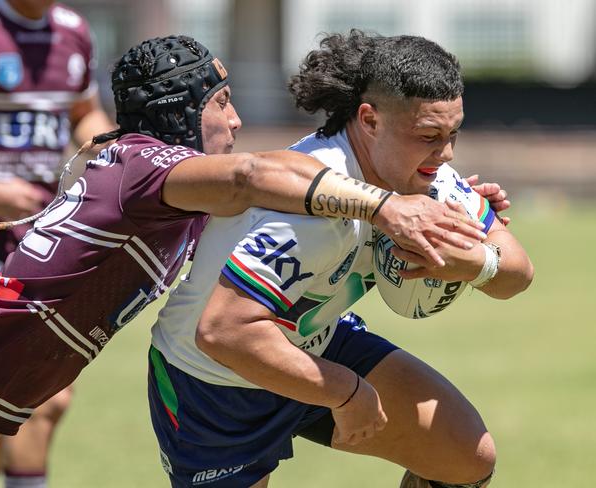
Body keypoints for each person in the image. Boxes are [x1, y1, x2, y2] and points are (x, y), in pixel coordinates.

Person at [0, 34, 496, 487]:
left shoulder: (161, 179)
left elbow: (270, 182)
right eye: (221, 101)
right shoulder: (148, 169)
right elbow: (252, 175)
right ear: (182, 109)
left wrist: (454, 203)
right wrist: (387, 209)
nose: (236, 121)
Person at [148, 31, 535, 488]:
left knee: (466, 457)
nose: (445, 154)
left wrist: (471, 262)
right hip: (215, 381)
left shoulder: (422, 174)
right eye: (429, 136)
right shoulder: (310, 213)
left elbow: (516, 275)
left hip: (315, 340)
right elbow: (222, 332)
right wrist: (347, 392)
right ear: (369, 121)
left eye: (453, 134)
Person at [0, 1, 115, 486]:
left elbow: (85, 114)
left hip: (52, 231)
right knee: (38, 394)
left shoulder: (74, 30)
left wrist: (116, 152)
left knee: (41, 395)